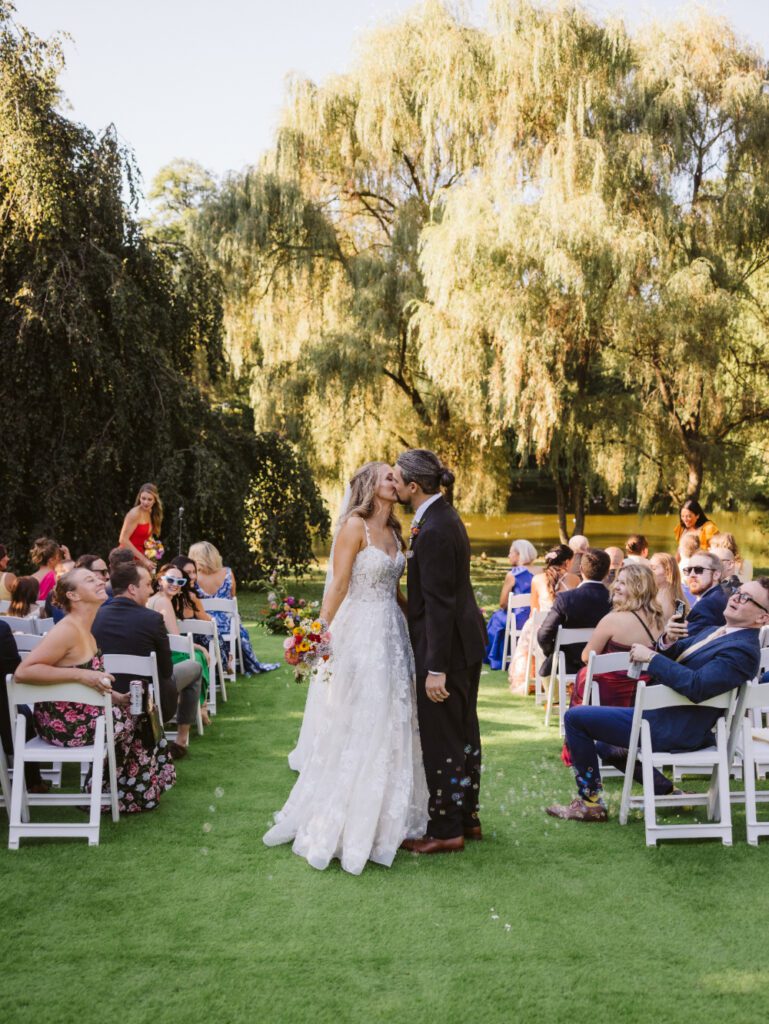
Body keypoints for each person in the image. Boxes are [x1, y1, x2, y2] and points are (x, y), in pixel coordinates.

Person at [264, 461, 428, 874]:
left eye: (396, 476)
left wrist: (416, 625)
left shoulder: (395, 531)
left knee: (393, 718)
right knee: (359, 719)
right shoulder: (354, 527)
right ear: (369, 486)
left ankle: (387, 820)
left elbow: (396, 590)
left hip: (391, 632)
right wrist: (317, 634)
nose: (396, 481)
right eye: (387, 476)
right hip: (360, 635)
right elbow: (338, 585)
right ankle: (341, 824)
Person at [546, 578, 769, 822]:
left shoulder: (742, 650)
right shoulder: (716, 631)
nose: (736, 597)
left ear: (762, 618)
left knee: (576, 718)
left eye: (747, 598)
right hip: (665, 717)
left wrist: (652, 657)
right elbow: (677, 655)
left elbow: (698, 686)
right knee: (606, 746)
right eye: (738, 592)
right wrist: (667, 641)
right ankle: (671, 794)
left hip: (676, 727)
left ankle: (590, 803)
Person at [14, 567, 176, 813]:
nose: (100, 581)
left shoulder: (85, 629)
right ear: (74, 596)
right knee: (137, 721)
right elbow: (23, 672)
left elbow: (85, 683)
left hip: (84, 714)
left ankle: (117, 794)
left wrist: (116, 697)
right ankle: (112, 796)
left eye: (98, 577)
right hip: (64, 726)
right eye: (90, 580)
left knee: (140, 712)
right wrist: (83, 674)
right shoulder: (67, 630)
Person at [392, 448, 487, 855]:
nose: (391, 484)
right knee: (464, 731)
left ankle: (446, 829)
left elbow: (440, 604)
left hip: (446, 650)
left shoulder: (432, 529)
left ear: (414, 487)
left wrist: (435, 669)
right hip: (465, 644)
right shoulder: (439, 516)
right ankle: (467, 814)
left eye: (395, 479)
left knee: (443, 736)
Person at [92, 562, 201, 758]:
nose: (151, 590)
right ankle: (181, 740)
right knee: (195, 667)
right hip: (150, 702)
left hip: (106, 698)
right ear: (132, 589)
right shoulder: (152, 619)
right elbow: (167, 670)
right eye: (148, 585)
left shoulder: (95, 616)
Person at [571, 563, 664, 710]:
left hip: (610, 696)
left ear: (639, 589)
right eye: (617, 582)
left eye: (623, 583)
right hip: (644, 696)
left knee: (584, 673)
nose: (615, 587)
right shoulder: (660, 621)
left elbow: (586, 657)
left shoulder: (612, 620)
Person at [188, 540, 278, 675]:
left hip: (204, 625)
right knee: (237, 623)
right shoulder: (228, 573)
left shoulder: (193, 579)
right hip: (227, 626)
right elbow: (232, 598)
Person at [507, 544, 578, 693]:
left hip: (542, 629)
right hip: (567, 628)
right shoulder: (574, 579)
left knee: (530, 633)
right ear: (566, 562)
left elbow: (534, 611)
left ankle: (535, 678)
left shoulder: (537, 579)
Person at [148, 563, 211, 725]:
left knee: (198, 655)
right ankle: (198, 709)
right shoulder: (163, 602)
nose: (175, 584)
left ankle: (200, 707)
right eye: (170, 579)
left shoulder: (154, 598)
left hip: (159, 651)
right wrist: (200, 647)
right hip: (168, 654)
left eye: (180, 582)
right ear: (160, 580)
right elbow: (176, 639)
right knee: (198, 658)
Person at [537, 548, 613, 680]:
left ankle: (555, 700)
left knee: (545, 669)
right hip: (603, 663)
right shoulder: (615, 600)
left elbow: (544, 634)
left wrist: (552, 652)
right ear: (607, 573)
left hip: (567, 662)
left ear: (581, 570)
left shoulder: (565, 599)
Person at [0, 619, 49, 793]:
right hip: (5, 722)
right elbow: (14, 673)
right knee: (22, 714)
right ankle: (33, 782)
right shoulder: (1, 628)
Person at [484, 538, 536, 671]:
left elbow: (502, 603)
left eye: (511, 552)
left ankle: (494, 656)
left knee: (497, 617)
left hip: (518, 620)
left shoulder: (512, 575)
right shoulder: (542, 571)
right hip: (536, 618)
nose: (508, 555)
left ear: (519, 555)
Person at [119, 483, 163, 572]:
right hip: (127, 557)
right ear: (139, 498)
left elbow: (144, 536)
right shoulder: (134, 514)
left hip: (140, 556)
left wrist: (154, 548)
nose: (146, 502)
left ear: (155, 500)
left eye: (149, 499)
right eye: (143, 498)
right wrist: (144, 560)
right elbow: (123, 539)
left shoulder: (151, 512)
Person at [682, 549, 728, 631]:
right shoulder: (720, 595)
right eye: (689, 570)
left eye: (699, 570)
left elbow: (686, 642)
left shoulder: (706, 605)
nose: (692, 575)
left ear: (716, 575)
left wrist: (668, 637)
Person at [649, 551, 688, 622]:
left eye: (653, 568)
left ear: (667, 571)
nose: (649, 572)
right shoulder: (679, 600)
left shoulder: (663, 599)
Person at [30, 536, 62, 602]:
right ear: (51, 560)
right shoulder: (56, 576)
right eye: (59, 556)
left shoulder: (31, 578)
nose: (60, 559)